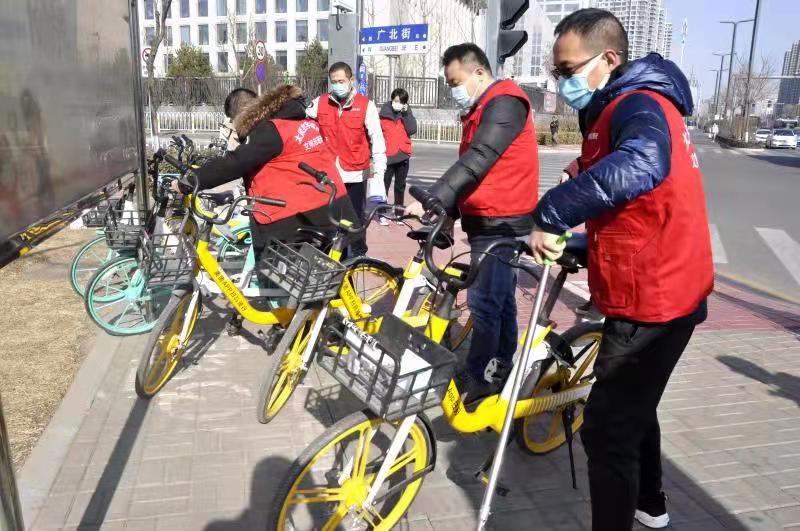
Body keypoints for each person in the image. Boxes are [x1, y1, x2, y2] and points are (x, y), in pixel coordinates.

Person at [528, 8, 714, 530]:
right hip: (656, 281)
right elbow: (632, 201)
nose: (561, 81)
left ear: (609, 58)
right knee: (636, 406)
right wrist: (584, 230)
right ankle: (651, 504)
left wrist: (553, 212)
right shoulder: (620, 105)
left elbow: (641, 164)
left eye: (568, 70)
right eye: (557, 72)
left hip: (656, 298)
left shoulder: (638, 103)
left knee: (607, 431)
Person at [406, 43, 540, 401]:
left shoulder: (506, 103)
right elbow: (471, 171)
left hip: (502, 221)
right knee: (500, 300)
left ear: (479, 72)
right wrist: (447, 213)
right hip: (488, 219)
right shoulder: (482, 107)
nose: (453, 90)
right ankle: (501, 363)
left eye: (455, 82)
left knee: (484, 303)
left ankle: (479, 375)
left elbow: (479, 158)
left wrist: (435, 199)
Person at [188, 84, 352, 256]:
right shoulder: (300, 121)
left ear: (241, 113)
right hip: (333, 207)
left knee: (278, 270)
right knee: (330, 270)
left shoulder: (270, 130)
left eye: (231, 124)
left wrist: (190, 181)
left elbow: (234, 163)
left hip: (301, 218)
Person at [306, 62, 387, 256]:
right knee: (331, 221)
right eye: (333, 82)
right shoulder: (320, 103)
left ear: (351, 80)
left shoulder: (366, 106)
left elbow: (377, 140)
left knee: (354, 220)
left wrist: (379, 173)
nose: (337, 85)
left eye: (341, 81)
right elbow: (302, 125)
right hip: (329, 174)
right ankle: (334, 257)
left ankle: (358, 257)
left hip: (355, 174)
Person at [378, 88, 417, 225]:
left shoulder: (406, 113)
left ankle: (399, 213)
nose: (397, 104)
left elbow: (412, 130)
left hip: (403, 155)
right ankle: (382, 213)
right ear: (391, 99)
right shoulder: (383, 114)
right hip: (387, 156)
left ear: (405, 103)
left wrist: (406, 114)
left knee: (400, 186)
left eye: (401, 102)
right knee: (384, 185)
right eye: (395, 101)